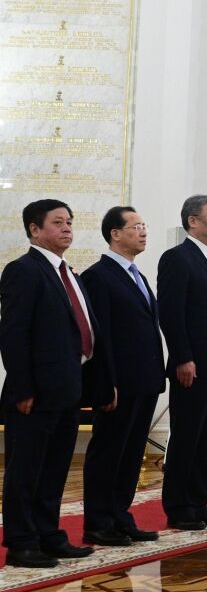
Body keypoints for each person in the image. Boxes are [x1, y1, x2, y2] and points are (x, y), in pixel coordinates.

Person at [1, 200, 105, 567]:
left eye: (70, 222)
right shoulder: (23, 270)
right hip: (36, 393)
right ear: (34, 230)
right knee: (26, 470)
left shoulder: (70, 274)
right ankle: (21, 542)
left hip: (67, 388)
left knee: (56, 468)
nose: (67, 228)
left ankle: (48, 534)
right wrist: (24, 388)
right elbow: (14, 336)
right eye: (58, 222)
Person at [79, 206, 166, 547]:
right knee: (108, 452)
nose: (143, 232)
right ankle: (98, 522)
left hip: (144, 381)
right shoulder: (98, 276)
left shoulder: (137, 275)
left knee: (131, 453)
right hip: (117, 385)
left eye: (145, 226)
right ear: (115, 233)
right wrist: (105, 383)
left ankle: (119, 516)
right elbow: (101, 337)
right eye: (136, 226)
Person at [157, 195, 207, 531]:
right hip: (194, 366)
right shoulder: (177, 258)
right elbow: (171, 313)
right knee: (188, 436)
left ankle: (199, 501)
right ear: (192, 221)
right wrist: (183, 356)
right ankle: (178, 506)